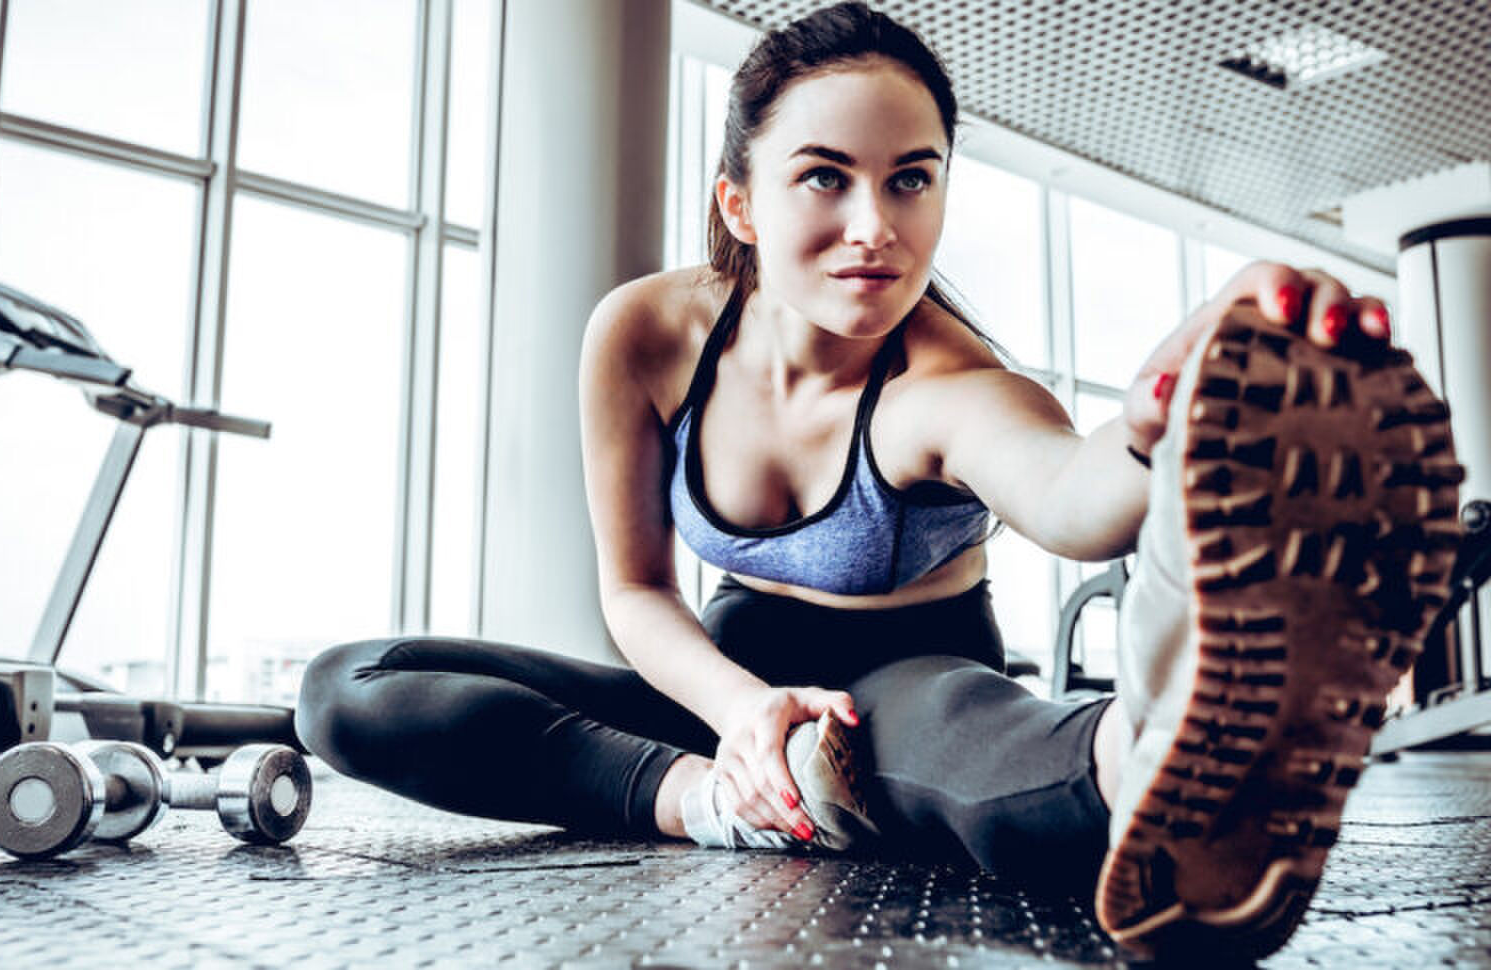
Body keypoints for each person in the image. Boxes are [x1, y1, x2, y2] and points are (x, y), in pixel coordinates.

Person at [296, 2, 1460, 960]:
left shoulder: (946, 384)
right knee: (354, 689)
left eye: (912, 180)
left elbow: (1073, 497)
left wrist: (1180, 395)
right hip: (726, 679)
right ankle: (720, 801)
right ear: (739, 201)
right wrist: (742, 719)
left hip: (911, 683)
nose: (875, 228)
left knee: (959, 750)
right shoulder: (644, 334)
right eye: (825, 179)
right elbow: (637, 592)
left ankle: (1167, 758)